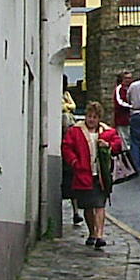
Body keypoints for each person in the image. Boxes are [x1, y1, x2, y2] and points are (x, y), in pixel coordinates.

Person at [61, 100, 123, 248]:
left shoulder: (107, 132)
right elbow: (66, 147)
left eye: (95, 117)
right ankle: (92, 233)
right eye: (89, 116)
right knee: (88, 207)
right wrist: (75, 162)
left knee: (100, 205)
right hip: (83, 175)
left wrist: (108, 145)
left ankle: (100, 235)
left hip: (101, 175)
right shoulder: (75, 131)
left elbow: (118, 144)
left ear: (99, 118)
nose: (91, 120)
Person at [61, 88, 83, 227]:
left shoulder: (66, 98)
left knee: (70, 184)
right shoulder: (64, 112)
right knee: (67, 185)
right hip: (64, 152)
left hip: (68, 154)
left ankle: (75, 213)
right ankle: (74, 213)